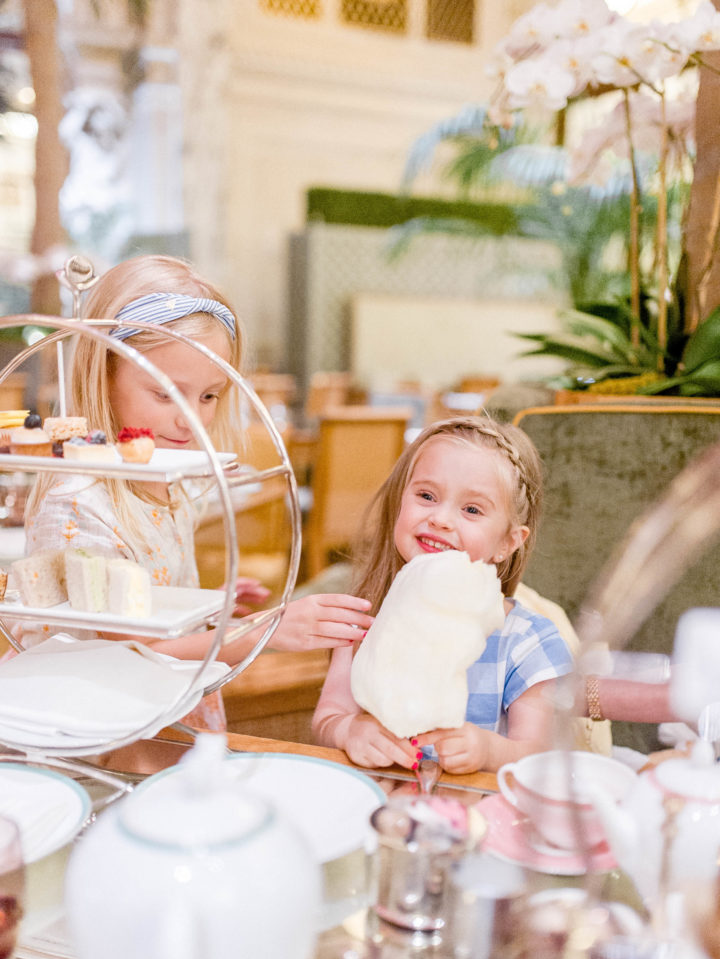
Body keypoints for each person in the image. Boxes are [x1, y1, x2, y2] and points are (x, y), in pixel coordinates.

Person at [20, 255, 373, 723]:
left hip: (165, 703)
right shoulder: (77, 505)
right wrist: (262, 633)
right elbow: (130, 654)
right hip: (102, 726)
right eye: (166, 393)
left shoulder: (164, 480)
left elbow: (147, 601)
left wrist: (199, 605)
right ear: (102, 374)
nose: (194, 417)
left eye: (209, 396)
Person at [312, 416, 575, 774]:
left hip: (478, 818)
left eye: (471, 510)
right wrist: (349, 730)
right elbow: (327, 719)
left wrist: (488, 750)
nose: (440, 519)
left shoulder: (527, 643)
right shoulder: (363, 620)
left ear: (507, 542)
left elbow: (543, 756)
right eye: (426, 496)